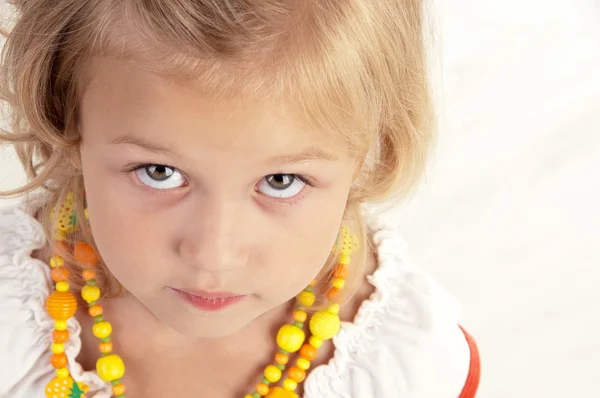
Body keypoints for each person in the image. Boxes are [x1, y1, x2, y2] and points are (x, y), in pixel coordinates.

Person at [0, 0, 480, 397]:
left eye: (281, 181)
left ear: (364, 156)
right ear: (65, 121)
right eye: (159, 173)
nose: (214, 254)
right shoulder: (13, 333)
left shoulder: (405, 367)